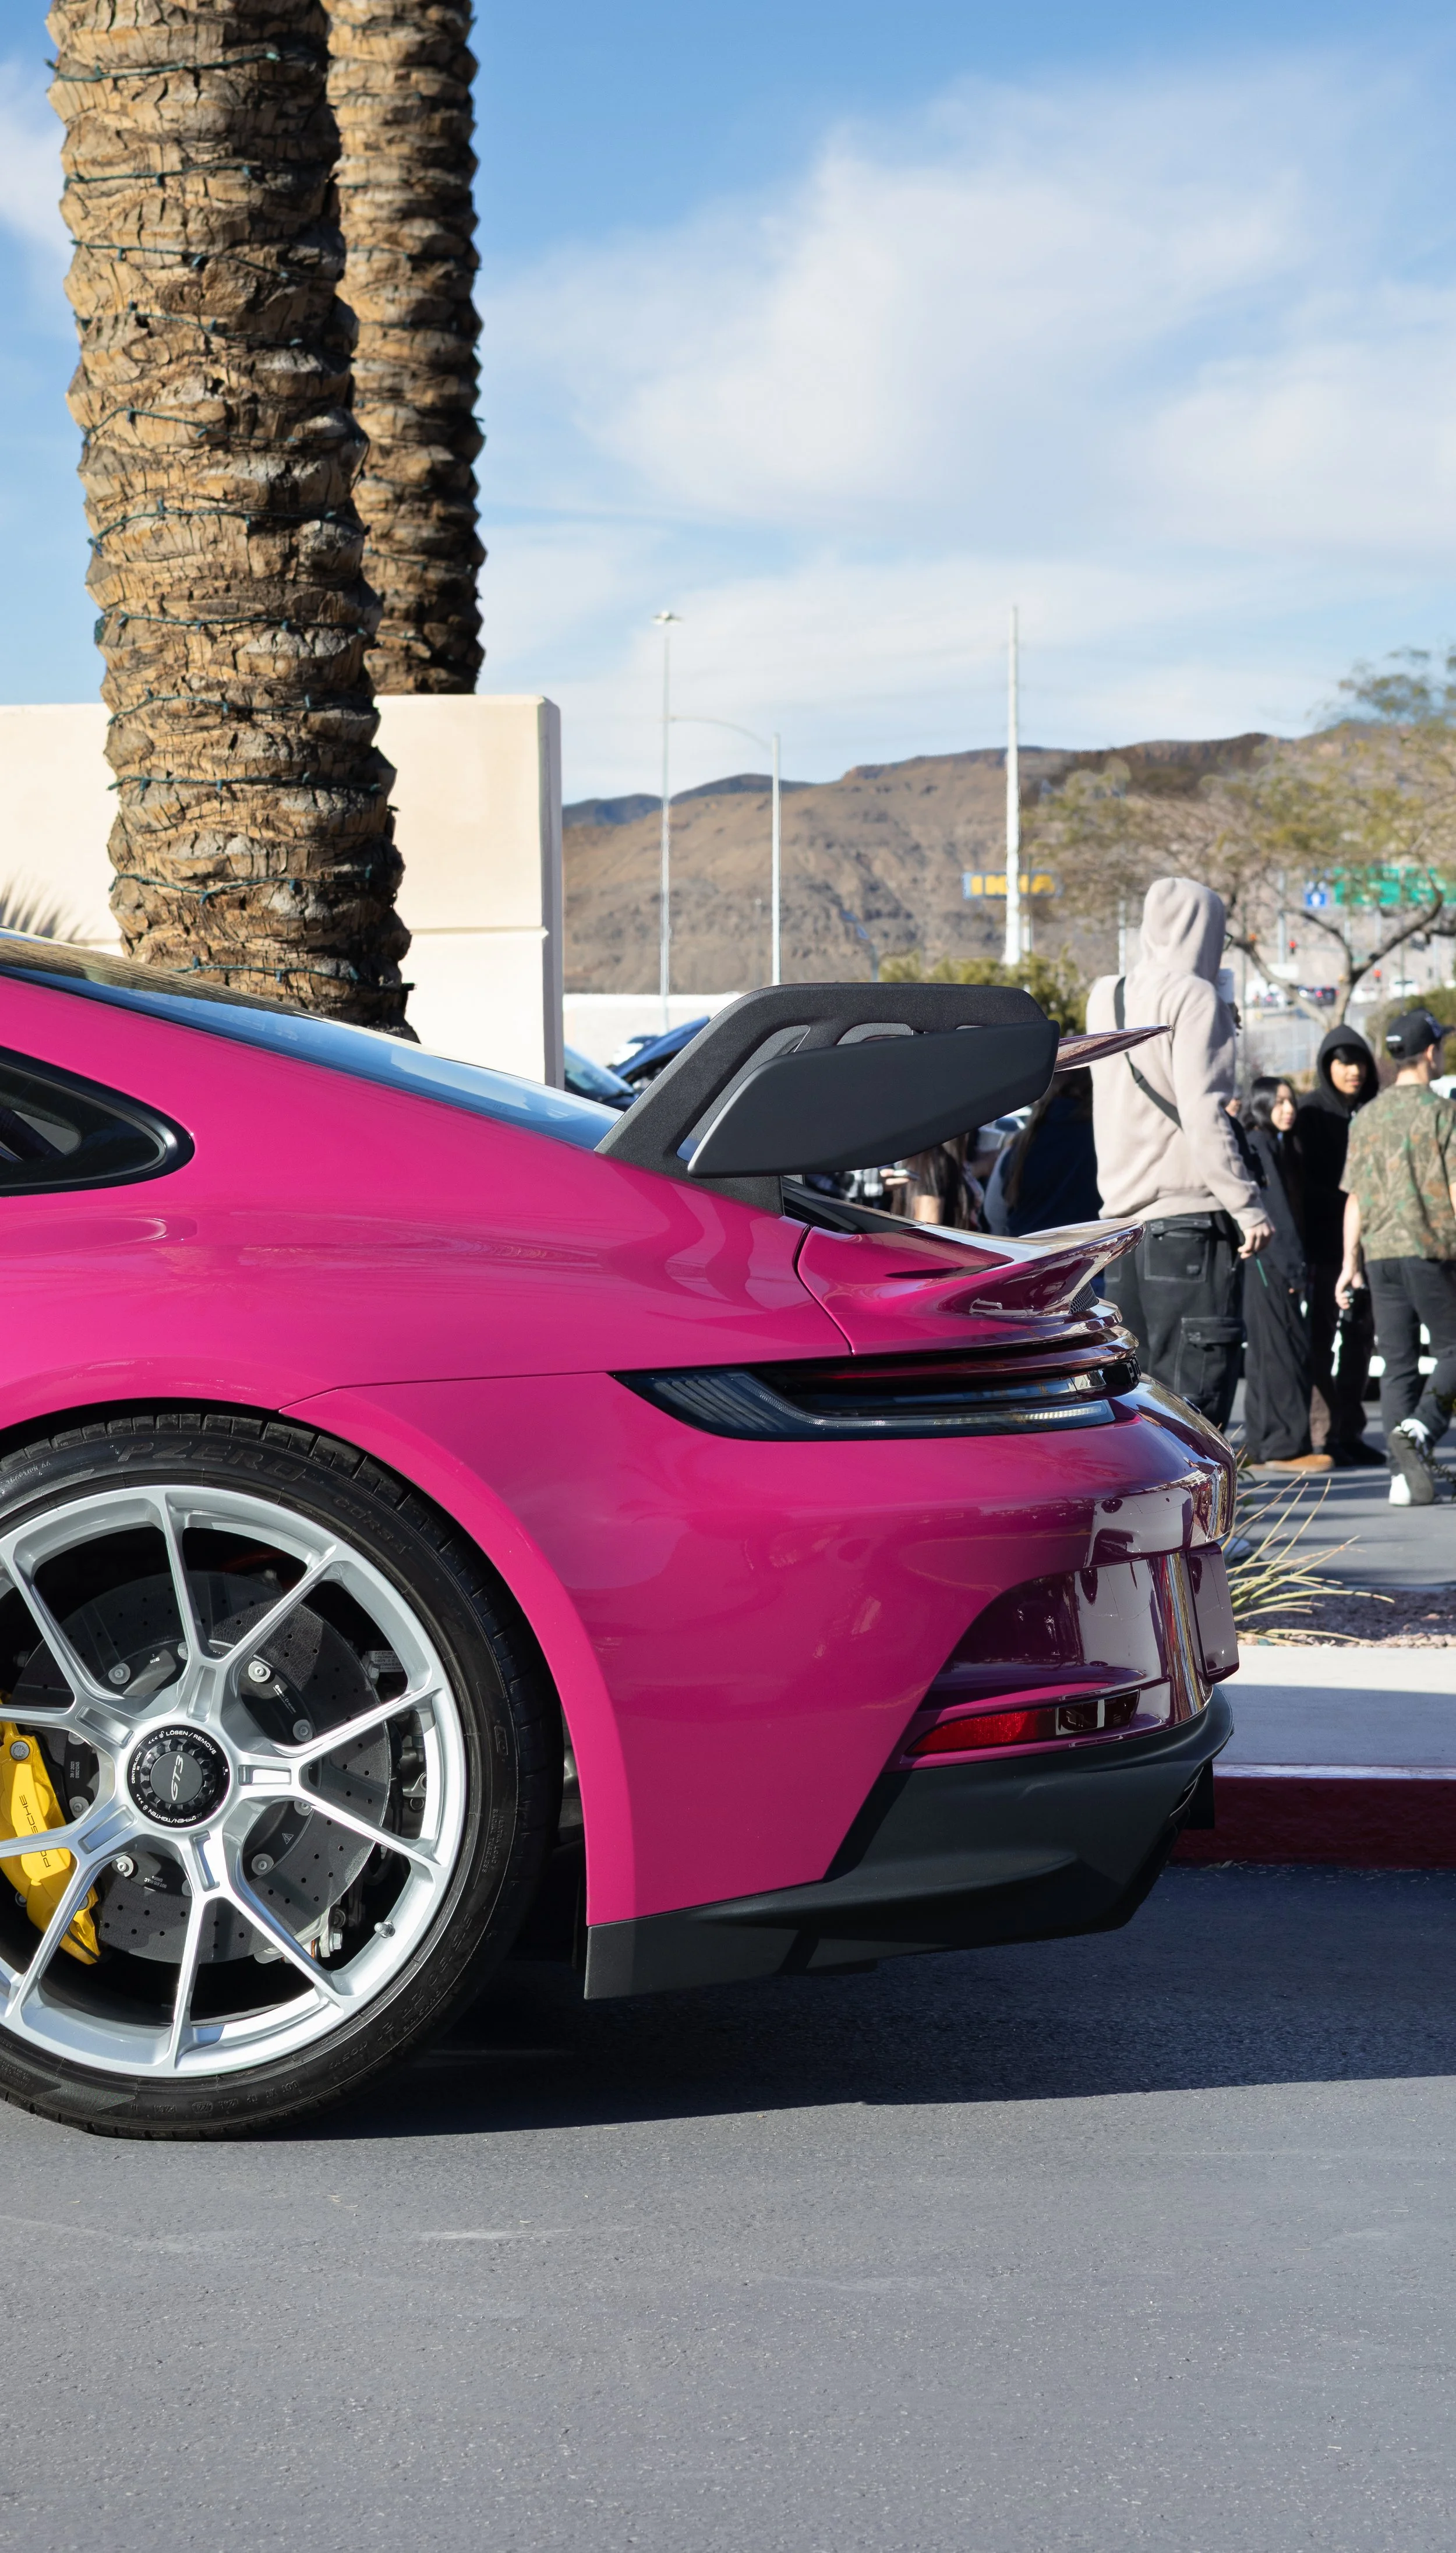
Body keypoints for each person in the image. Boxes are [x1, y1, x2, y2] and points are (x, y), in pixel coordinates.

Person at [1086, 877, 1272, 1425]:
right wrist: (1248, 1206)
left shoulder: (1106, 994)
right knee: (1193, 1402)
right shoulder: (1195, 997)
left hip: (1123, 1224)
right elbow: (1205, 1111)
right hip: (1189, 1219)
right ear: (1207, 932)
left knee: (1137, 1402)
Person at [1338, 1009, 1456, 1506]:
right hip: (1430, 1250)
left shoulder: (1367, 1116)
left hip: (1380, 1254)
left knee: (1400, 1364)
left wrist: (1350, 1262)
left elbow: (1355, 1197)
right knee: (1453, 1351)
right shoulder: (1441, 1112)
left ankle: (1403, 1478)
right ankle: (1422, 1429)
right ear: (1430, 1052)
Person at [1294, 1025, 1381, 1465]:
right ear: (1327, 1065)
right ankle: (1323, 1434)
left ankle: (1350, 1430)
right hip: (1324, 1245)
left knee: (1361, 1340)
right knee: (1322, 1338)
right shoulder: (1311, 1112)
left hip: (1372, 1245)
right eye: (1344, 1062)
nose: (1354, 1071)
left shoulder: (1374, 1109)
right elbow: (1304, 1184)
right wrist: (1351, 1203)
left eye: (1360, 1062)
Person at [1240, 1077, 1326, 1474]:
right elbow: (1277, 1214)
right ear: (1260, 1105)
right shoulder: (1260, 1144)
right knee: (1283, 1352)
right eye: (1277, 1102)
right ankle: (1284, 1446)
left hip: (1265, 1262)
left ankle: (1264, 1442)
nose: (1288, 1108)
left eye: (1290, 1100)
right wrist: (1294, 1267)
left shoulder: (1268, 1143)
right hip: (1270, 1263)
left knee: (1268, 1352)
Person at [984, 1068, 1100, 1235]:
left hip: (1031, 1252)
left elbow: (994, 1213)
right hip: (1089, 1250)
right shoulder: (1101, 1136)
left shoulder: (1022, 1142)